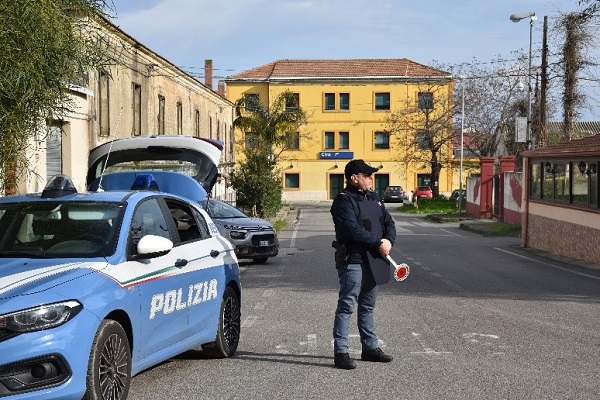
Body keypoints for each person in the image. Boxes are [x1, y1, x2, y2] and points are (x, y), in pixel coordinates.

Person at [330, 159, 396, 370]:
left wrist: (388, 240)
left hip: (375, 260)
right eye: (367, 175)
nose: (371, 178)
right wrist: (377, 242)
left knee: (367, 307)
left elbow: (389, 223)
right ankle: (341, 352)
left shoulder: (374, 199)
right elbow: (352, 229)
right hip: (354, 261)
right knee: (347, 306)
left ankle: (370, 348)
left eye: (371, 175)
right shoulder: (343, 201)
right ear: (354, 178)